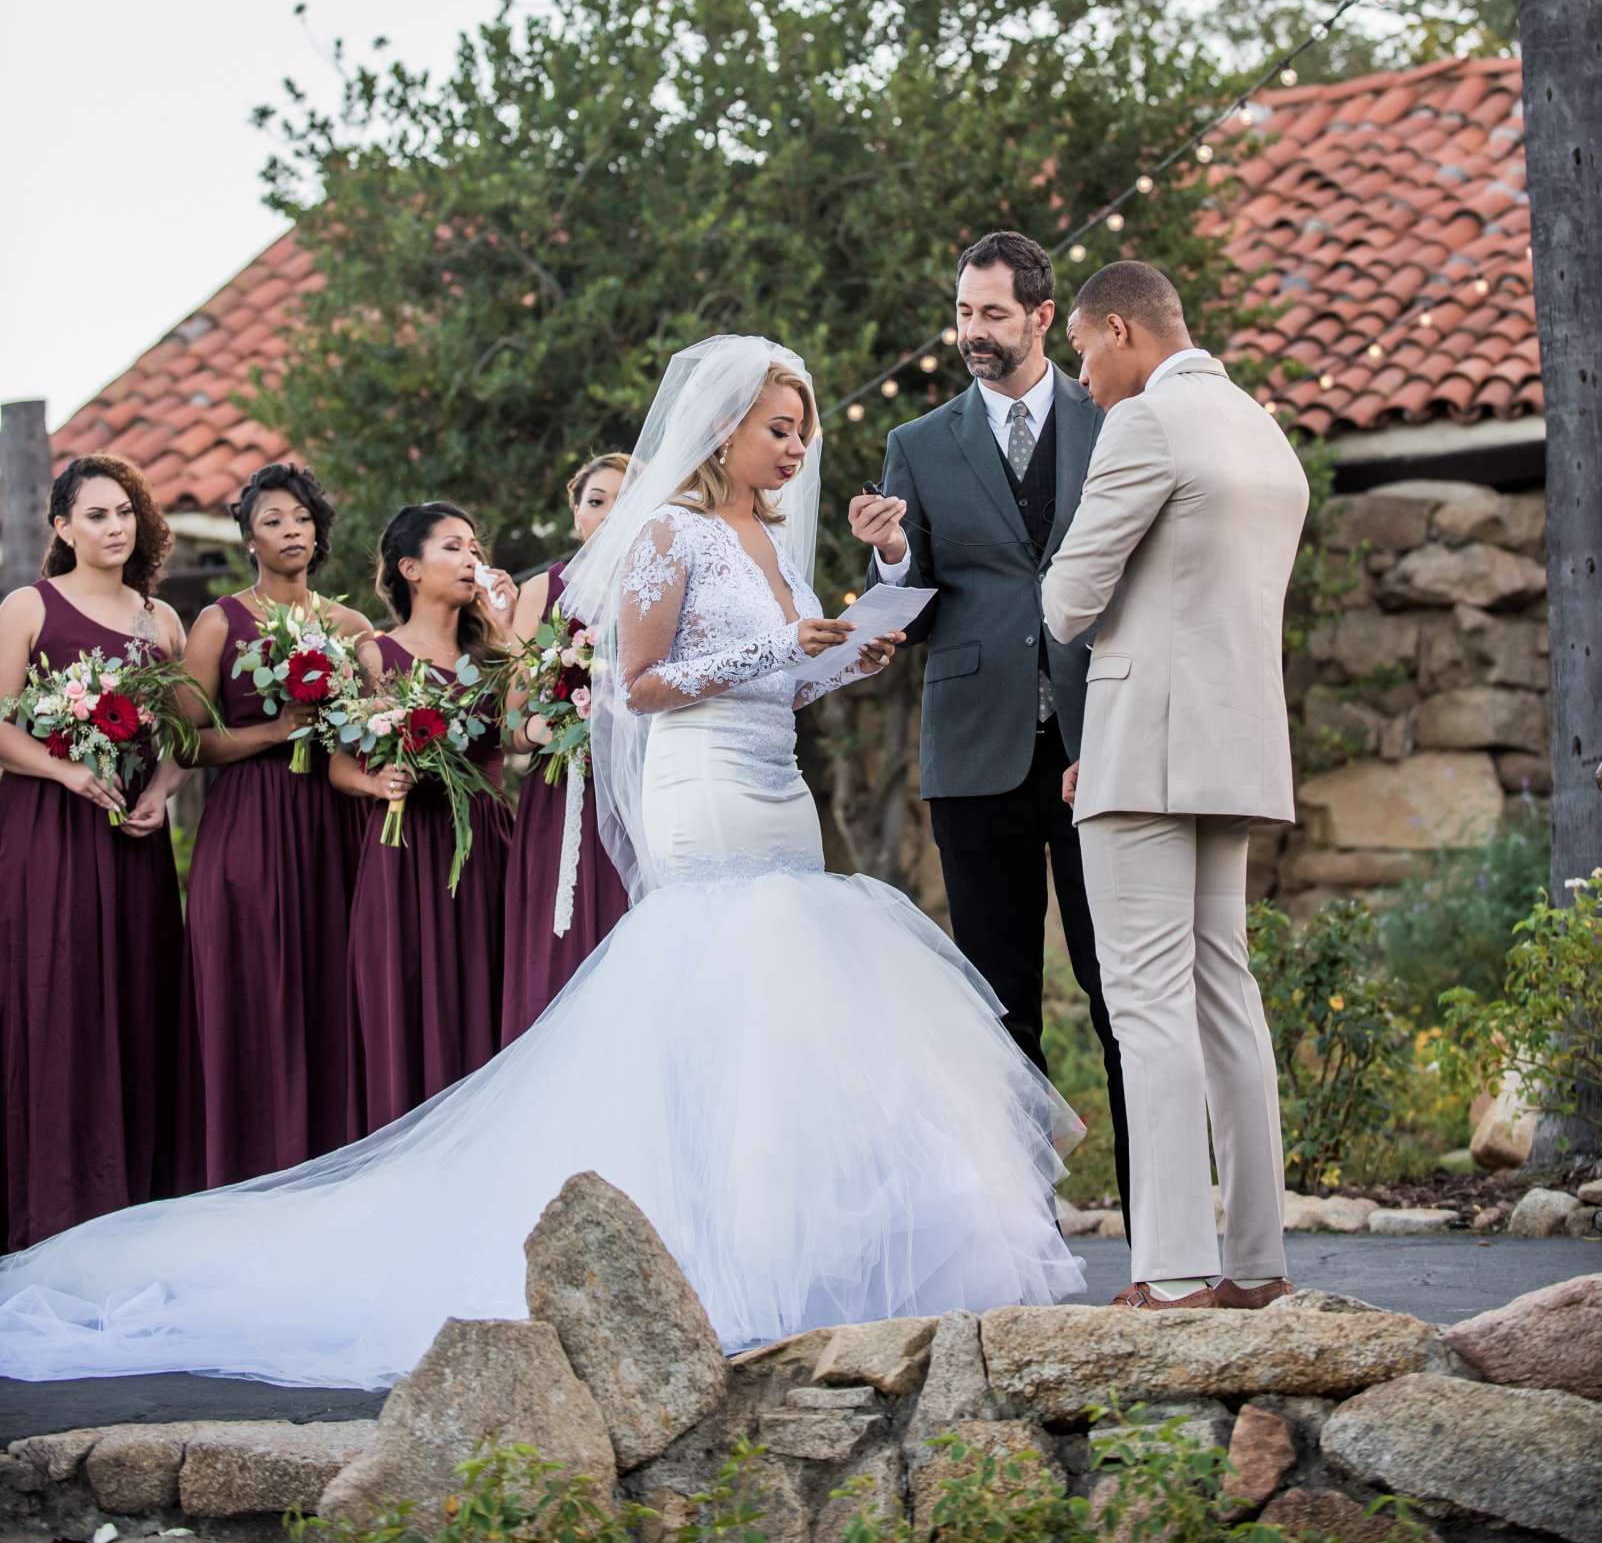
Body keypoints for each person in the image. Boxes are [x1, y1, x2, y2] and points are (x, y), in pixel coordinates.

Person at [0, 337, 1084, 1387]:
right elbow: (640, 683)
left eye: (803, 433)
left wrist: (849, 647)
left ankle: (788, 1245)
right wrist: (774, 648)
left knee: (788, 1014)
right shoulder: (670, 537)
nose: (798, 451)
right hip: (702, 796)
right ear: (725, 432)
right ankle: (700, 1251)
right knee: (727, 992)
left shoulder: (774, 546)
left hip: (779, 788)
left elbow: (790, 684)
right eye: (781, 430)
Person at [850, 230, 1129, 1229]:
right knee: (999, 1005)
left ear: (1043, 317)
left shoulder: (1115, 419)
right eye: (965, 314)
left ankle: (1161, 1232)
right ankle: (1023, 1236)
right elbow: (914, 606)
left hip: (1105, 743)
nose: (974, 332)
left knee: (1117, 995)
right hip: (975, 756)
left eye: (994, 315)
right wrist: (888, 561)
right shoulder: (918, 446)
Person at [1042, 260, 1307, 1311]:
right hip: (1237, 745)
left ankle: (1174, 1273)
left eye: (1082, 353)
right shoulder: (1260, 425)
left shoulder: (1147, 424)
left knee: (1146, 1004)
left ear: (1121, 331)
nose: (1084, 377)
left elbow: (1068, 600)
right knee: (1226, 996)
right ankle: (1255, 1264)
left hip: (1145, 747)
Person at [0, 456, 185, 1250]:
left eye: (125, 514)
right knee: (55, 1002)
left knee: (137, 1005)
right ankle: (44, 1214)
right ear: (64, 528)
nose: (115, 528)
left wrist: (164, 791)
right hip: (46, 834)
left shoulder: (163, 620)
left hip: (133, 841)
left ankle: (132, 1210)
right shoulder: (26, 607)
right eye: (98, 515)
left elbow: (184, 734)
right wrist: (63, 768)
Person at [176, 465, 373, 1188]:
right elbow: (185, 742)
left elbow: (375, 728)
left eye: (300, 518)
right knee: (259, 984)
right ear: (250, 538)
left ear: (318, 531)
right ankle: (252, 1164)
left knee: (333, 981)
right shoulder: (220, 621)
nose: (290, 532)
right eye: (272, 521)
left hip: (336, 824)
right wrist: (272, 732)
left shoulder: (351, 627)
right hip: (251, 825)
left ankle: (338, 1161)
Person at [336, 504, 518, 1134]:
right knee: (411, 1006)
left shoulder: (495, 656)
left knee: (489, 1000)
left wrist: (508, 626)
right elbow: (338, 765)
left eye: (474, 546)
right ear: (409, 568)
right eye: (452, 547)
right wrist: (375, 779)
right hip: (406, 854)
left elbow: (524, 734)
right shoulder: (374, 655)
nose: (471, 558)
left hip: (489, 852)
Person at [502, 453, 631, 1041]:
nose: (610, 512)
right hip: (563, 790)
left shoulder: (660, 581)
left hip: (639, 784)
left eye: (625, 499)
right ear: (576, 513)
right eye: (597, 500)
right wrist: (541, 731)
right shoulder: (543, 588)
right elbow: (510, 714)